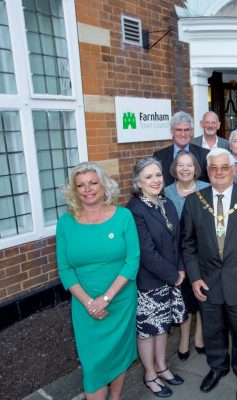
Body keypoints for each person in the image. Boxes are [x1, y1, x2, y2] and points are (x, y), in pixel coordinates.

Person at [181, 148, 237, 400]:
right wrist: (195, 277)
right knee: (213, 330)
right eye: (213, 168)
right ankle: (217, 366)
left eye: (224, 167)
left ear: (233, 169)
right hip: (207, 281)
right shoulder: (194, 201)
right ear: (207, 171)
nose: (218, 172)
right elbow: (188, 244)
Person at [56, 161, 140, 400]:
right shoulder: (66, 223)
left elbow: (132, 260)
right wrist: (89, 303)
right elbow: (65, 269)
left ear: (104, 186)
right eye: (80, 185)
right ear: (74, 190)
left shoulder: (123, 216)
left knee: (119, 353)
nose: (87, 189)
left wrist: (105, 299)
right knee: (92, 367)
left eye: (93, 183)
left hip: (120, 300)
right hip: (85, 305)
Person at [127, 158, 187, 398]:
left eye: (158, 175)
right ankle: (150, 374)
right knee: (148, 331)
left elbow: (178, 240)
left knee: (163, 327)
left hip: (170, 278)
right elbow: (146, 252)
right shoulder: (134, 210)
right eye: (148, 177)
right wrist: (173, 275)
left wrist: (181, 268)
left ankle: (162, 367)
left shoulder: (166, 202)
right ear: (138, 182)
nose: (155, 180)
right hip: (149, 282)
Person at [163, 151, 209, 361]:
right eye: (180, 165)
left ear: (196, 169)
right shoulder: (166, 192)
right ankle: (183, 339)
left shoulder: (205, 189)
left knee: (201, 296)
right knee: (183, 299)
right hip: (176, 254)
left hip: (202, 253)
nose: (184, 169)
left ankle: (199, 336)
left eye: (189, 165)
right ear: (174, 168)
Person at [153, 111, 210, 186]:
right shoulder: (159, 156)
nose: (183, 134)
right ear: (172, 132)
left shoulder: (204, 155)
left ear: (192, 132)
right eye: (179, 130)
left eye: (186, 130)